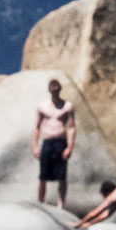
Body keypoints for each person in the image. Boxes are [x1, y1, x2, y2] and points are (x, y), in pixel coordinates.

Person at [31, 78, 76, 207]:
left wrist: (69, 146)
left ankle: (61, 204)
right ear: (49, 88)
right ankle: (40, 203)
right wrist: (35, 146)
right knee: (43, 175)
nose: (54, 88)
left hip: (61, 141)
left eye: (56, 85)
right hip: (47, 142)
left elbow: (71, 127)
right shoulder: (42, 106)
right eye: (52, 86)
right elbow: (37, 128)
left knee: (62, 176)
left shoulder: (67, 106)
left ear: (60, 88)